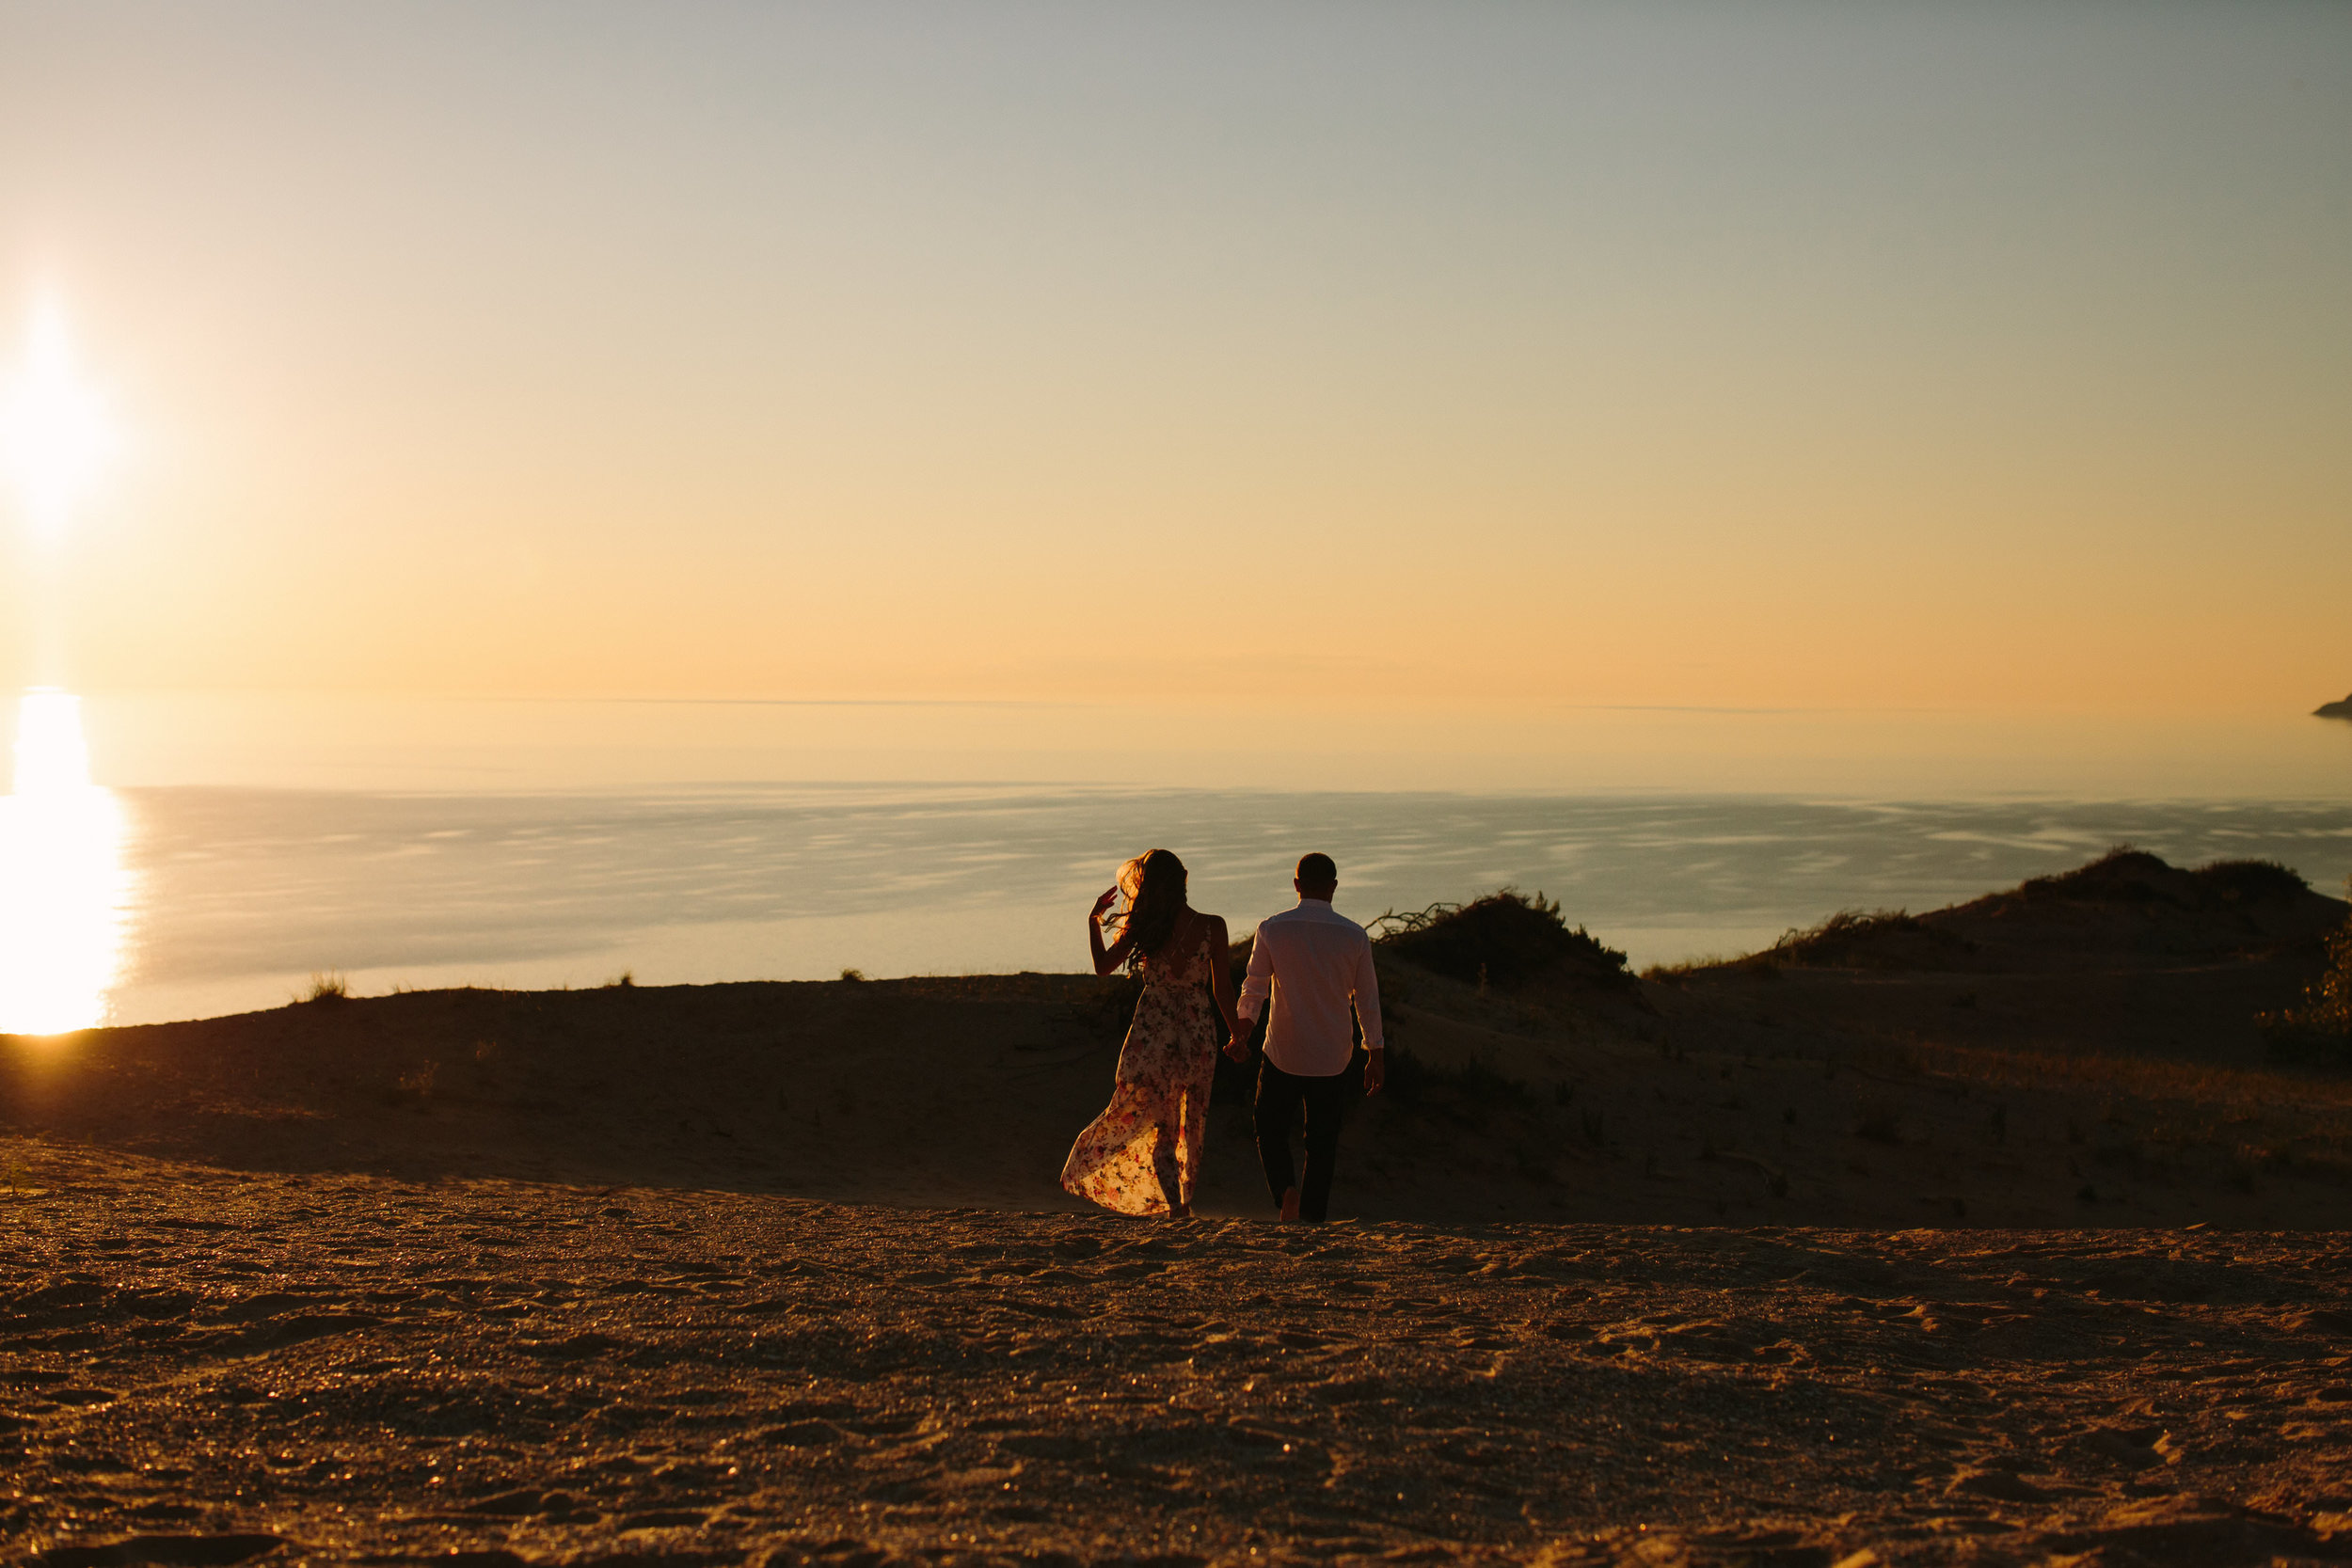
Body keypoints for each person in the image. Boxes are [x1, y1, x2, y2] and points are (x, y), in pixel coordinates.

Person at [1059, 848, 1238, 1218]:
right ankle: (1182, 1201)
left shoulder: (1145, 925)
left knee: (1160, 1122)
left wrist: (1094, 921)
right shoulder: (1212, 925)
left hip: (1152, 1031)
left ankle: (1176, 1205)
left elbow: (1102, 967)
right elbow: (1223, 991)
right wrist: (1238, 1035)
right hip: (1196, 1029)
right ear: (1184, 879)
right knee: (1191, 1118)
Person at [1231, 852, 1383, 1223]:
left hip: (1283, 1049)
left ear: (1296, 884)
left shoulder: (1272, 929)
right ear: (1333, 886)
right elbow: (1367, 998)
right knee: (1322, 1144)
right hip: (1333, 1055)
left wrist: (1242, 1033)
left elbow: (1254, 989)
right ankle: (1312, 1218)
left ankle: (1286, 1192)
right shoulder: (1354, 935)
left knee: (1268, 1127)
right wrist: (1375, 1052)